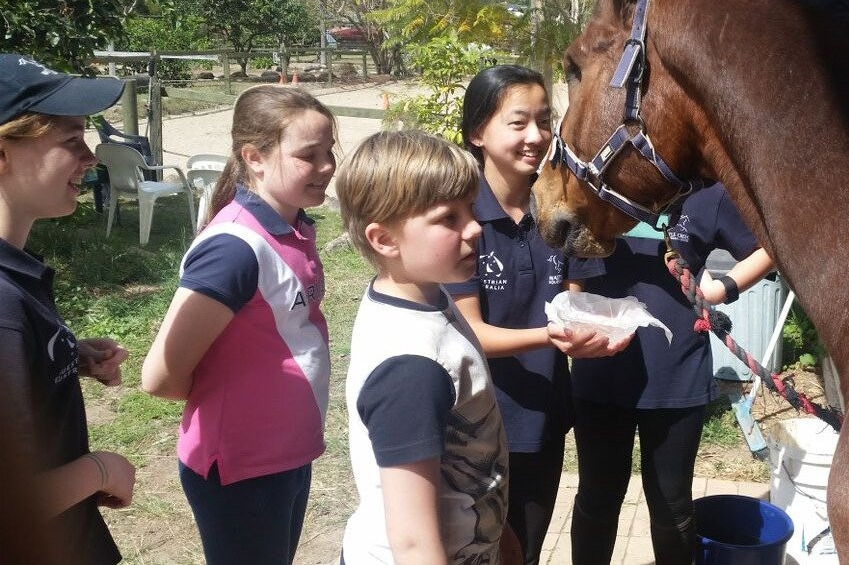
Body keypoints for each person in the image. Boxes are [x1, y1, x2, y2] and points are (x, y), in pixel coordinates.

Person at [141, 85, 336, 565]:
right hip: (243, 468)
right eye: (309, 156)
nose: (328, 166)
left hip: (284, 455)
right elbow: (160, 376)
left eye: (329, 151)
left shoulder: (294, 226)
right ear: (254, 158)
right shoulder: (234, 249)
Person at [444, 65, 627, 564]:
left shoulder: (561, 208)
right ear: (477, 133)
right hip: (475, 426)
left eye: (544, 121)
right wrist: (553, 336)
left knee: (525, 550)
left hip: (543, 417)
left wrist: (602, 328)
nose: (536, 136)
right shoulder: (460, 218)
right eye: (518, 122)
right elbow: (470, 334)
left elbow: (574, 303)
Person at [336, 130, 519, 563]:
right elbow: (414, 541)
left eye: (470, 208)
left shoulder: (426, 297)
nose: (474, 227)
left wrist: (502, 537)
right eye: (448, 218)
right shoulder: (412, 365)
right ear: (385, 239)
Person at [569, 182, 775, 564]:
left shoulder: (707, 194)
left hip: (677, 376)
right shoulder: (598, 181)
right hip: (601, 373)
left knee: (672, 504)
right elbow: (567, 254)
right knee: (597, 497)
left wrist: (721, 289)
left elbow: (769, 247)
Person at [0, 53, 136, 565]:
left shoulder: (14, 273)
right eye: (71, 141)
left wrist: (63, 353)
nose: (91, 158)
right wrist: (99, 471)